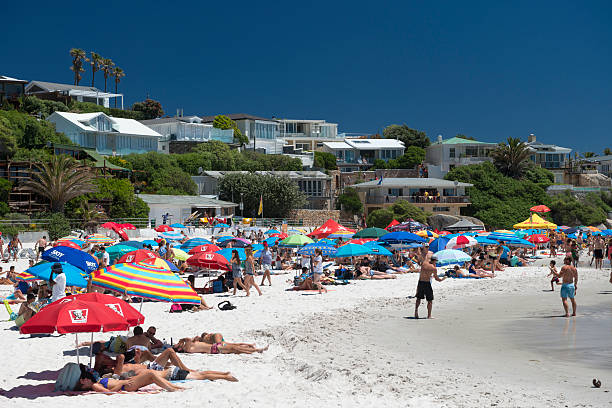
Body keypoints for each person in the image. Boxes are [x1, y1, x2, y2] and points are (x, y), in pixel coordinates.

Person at [173, 337, 268, 355]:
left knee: (235, 349)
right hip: (214, 348)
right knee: (235, 348)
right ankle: (257, 350)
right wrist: (181, 340)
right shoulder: (187, 348)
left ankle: (253, 349)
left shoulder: (188, 347)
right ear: (179, 348)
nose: (177, 343)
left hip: (214, 347)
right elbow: (188, 339)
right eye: (176, 344)